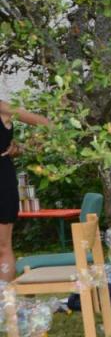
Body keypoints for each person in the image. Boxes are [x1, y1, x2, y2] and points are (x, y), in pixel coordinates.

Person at [0, 100, 50, 282]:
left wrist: (27, 146)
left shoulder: (2, 108)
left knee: (2, 247)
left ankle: (4, 305)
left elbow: (46, 124)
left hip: (1, 181)